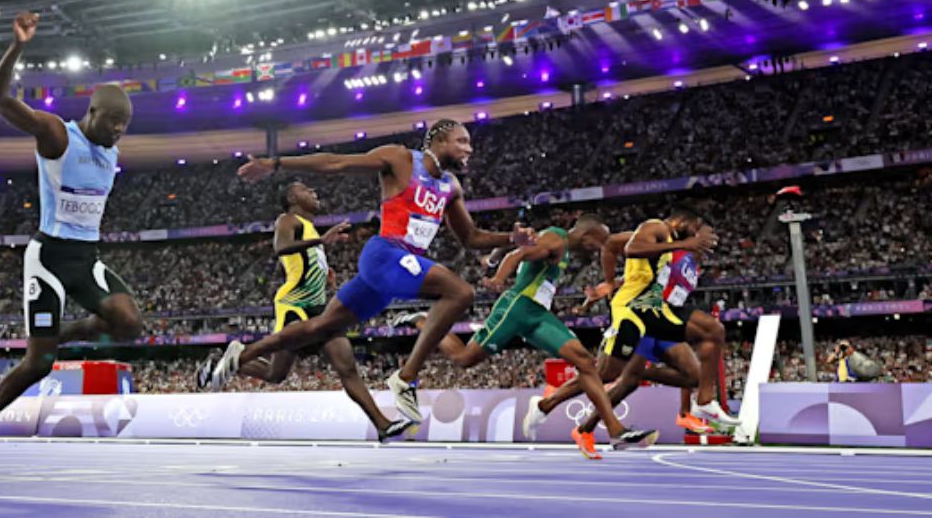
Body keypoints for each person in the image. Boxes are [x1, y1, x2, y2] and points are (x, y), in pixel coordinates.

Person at [199, 119, 536, 424]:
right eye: (462, 141)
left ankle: (242, 353)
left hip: (392, 276)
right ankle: (406, 378)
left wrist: (511, 239)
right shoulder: (401, 159)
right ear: (440, 140)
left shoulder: (451, 187)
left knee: (320, 327)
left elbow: (471, 237)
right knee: (460, 292)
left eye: (470, 143)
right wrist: (275, 163)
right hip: (385, 255)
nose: (469, 149)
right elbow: (336, 162)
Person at [0, 12, 143, 480]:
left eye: (125, 125)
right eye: (113, 122)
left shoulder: (112, 151)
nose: (119, 131)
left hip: (87, 258)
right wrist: (18, 46)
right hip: (49, 258)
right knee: (39, 364)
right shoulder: (58, 134)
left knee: (129, 324)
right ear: (91, 112)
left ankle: (60, 330)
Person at [394, 216, 658, 455]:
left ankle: (616, 431)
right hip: (517, 308)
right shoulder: (555, 238)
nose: (598, 251)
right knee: (464, 359)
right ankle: (424, 321)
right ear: (587, 235)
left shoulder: (560, 245)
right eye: (598, 244)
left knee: (585, 362)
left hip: (538, 315)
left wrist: (495, 257)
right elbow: (519, 254)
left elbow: (512, 245)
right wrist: (499, 277)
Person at [525, 209, 734, 455]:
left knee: (688, 375)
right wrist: (610, 282)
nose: (708, 241)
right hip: (638, 315)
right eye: (702, 231)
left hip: (660, 319)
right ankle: (550, 407)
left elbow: (652, 279)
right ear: (686, 225)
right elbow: (613, 246)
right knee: (607, 374)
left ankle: (586, 426)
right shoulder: (663, 236)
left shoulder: (692, 263)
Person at [230, 181, 415, 441]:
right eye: (307, 189)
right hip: (295, 302)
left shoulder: (309, 228)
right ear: (292, 197)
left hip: (319, 306)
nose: (314, 192)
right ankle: (237, 357)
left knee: (342, 368)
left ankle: (383, 425)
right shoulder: (288, 220)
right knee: (276, 373)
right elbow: (281, 248)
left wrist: (323, 272)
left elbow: (300, 262)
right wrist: (321, 240)